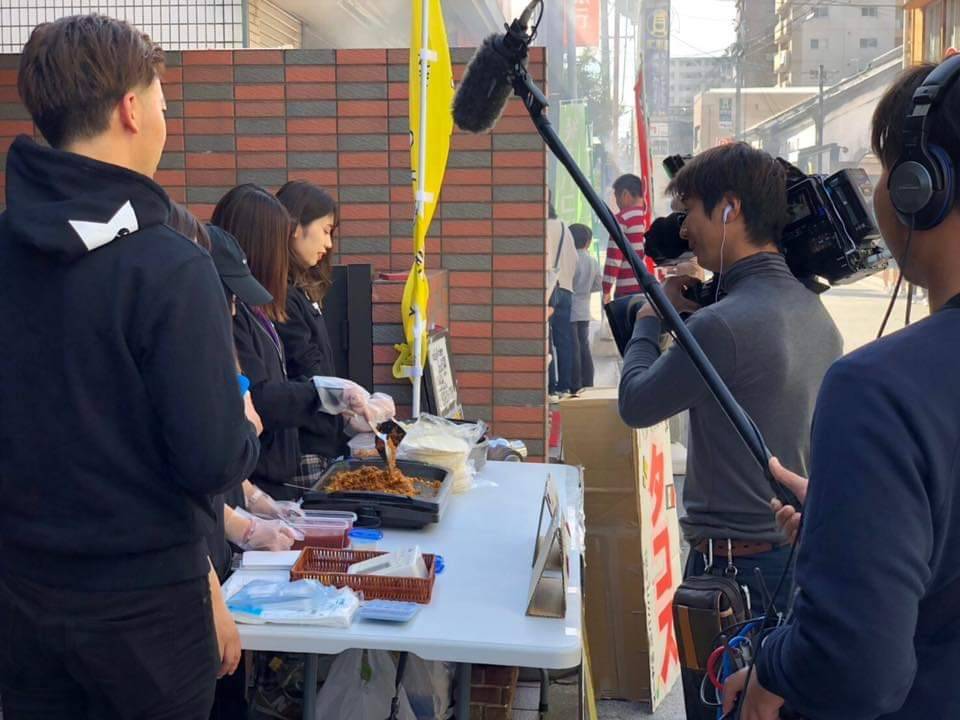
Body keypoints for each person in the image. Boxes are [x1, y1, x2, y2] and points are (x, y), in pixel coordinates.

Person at [0, 15, 259, 719]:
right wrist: (243, 427)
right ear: (131, 110)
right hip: (147, 612)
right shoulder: (170, 266)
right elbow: (210, 459)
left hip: (21, 598)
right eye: (164, 105)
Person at [723, 57, 960, 720]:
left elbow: (854, 668)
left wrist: (773, 667)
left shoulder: (878, 391)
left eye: (883, 166)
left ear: (922, 186)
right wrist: (853, 520)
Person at [618, 143, 842, 612]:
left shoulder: (719, 326)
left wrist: (650, 319)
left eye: (690, 212)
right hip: (794, 559)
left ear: (729, 208)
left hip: (733, 574)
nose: (683, 229)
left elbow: (636, 403)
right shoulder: (817, 314)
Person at [211, 184, 391, 501]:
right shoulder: (234, 312)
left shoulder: (256, 307)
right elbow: (261, 395)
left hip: (278, 464)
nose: (284, 251)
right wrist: (329, 395)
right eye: (279, 240)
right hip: (268, 469)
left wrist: (342, 403)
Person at [275, 181, 349, 485]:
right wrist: (349, 401)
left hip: (320, 440)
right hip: (304, 448)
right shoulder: (283, 294)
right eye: (326, 230)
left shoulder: (300, 289)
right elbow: (307, 366)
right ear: (295, 226)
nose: (329, 244)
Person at [602, 173, 655, 303]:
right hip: (652, 287)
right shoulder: (650, 218)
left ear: (625, 195)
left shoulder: (621, 219)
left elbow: (614, 257)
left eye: (617, 198)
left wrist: (606, 289)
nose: (617, 203)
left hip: (627, 291)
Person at [546, 202, 578, 397]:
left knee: (546, 338)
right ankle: (564, 384)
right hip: (566, 289)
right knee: (564, 340)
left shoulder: (542, 228)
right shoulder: (565, 227)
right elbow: (574, 259)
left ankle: (550, 384)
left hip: (550, 289)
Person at [569, 223, 601, 391]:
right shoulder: (592, 261)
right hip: (584, 308)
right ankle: (588, 381)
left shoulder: (570, 259)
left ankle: (575, 383)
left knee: (573, 347)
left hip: (570, 308)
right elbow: (598, 284)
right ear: (588, 242)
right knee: (584, 345)